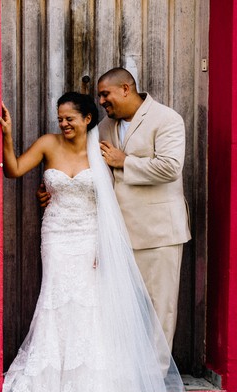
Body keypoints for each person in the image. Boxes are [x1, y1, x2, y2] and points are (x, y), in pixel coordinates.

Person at [0, 92, 237, 392]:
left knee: (90, 309)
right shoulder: (47, 143)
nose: (64, 124)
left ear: (89, 119)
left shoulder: (101, 150)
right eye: (61, 118)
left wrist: (104, 248)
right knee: (56, 303)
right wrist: (7, 135)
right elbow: (13, 170)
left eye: (71, 118)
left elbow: (113, 203)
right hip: (56, 236)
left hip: (91, 239)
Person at [40, 68, 188, 371]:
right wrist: (54, 190)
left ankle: (155, 375)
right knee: (120, 308)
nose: (102, 101)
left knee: (160, 309)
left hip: (158, 232)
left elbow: (171, 168)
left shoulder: (166, 119)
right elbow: (84, 167)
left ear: (125, 88)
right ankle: (124, 373)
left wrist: (125, 161)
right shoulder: (104, 128)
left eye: (105, 95)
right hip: (114, 234)